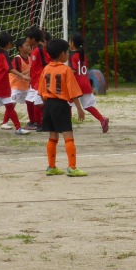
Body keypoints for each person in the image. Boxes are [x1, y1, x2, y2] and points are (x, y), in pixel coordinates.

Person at [38, 37, 88, 176]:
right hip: (61, 105)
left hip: (48, 104)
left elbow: (41, 91)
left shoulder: (46, 69)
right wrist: (79, 109)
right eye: (67, 52)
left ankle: (51, 166)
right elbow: (73, 92)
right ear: (62, 54)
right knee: (68, 136)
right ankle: (72, 168)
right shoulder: (66, 70)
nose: (68, 54)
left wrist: (47, 105)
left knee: (52, 136)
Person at [69, 32, 110, 133]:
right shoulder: (83, 55)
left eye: (70, 41)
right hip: (86, 83)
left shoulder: (72, 56)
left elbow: (74, 70)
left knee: (67, 105)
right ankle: (102, 119)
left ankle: (67, 125)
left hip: (77, 84)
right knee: (88, 105)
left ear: (72, 44)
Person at [0, 39, 31, 129]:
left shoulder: (30, 58)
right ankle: (4, 122)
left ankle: (33, 121)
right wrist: (30, 70)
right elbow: (18, 73)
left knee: (31, 102)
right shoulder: (17, 58)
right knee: (11, 104)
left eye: (29, 45)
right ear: (20, 48)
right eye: (26, 45)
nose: (29, 47)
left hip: (25, 86)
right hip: (15, 86)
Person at [23, 26, 49, 130]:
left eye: (28, 38)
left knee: (38, 104)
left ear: (33, 39)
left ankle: (41, 123)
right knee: (29, 101)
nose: (26, 40)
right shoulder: (34, 50)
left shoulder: (40, 50)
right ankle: (34, 121)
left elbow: (47, 64)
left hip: (40, 81)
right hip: (34, 82)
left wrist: (46, 79)